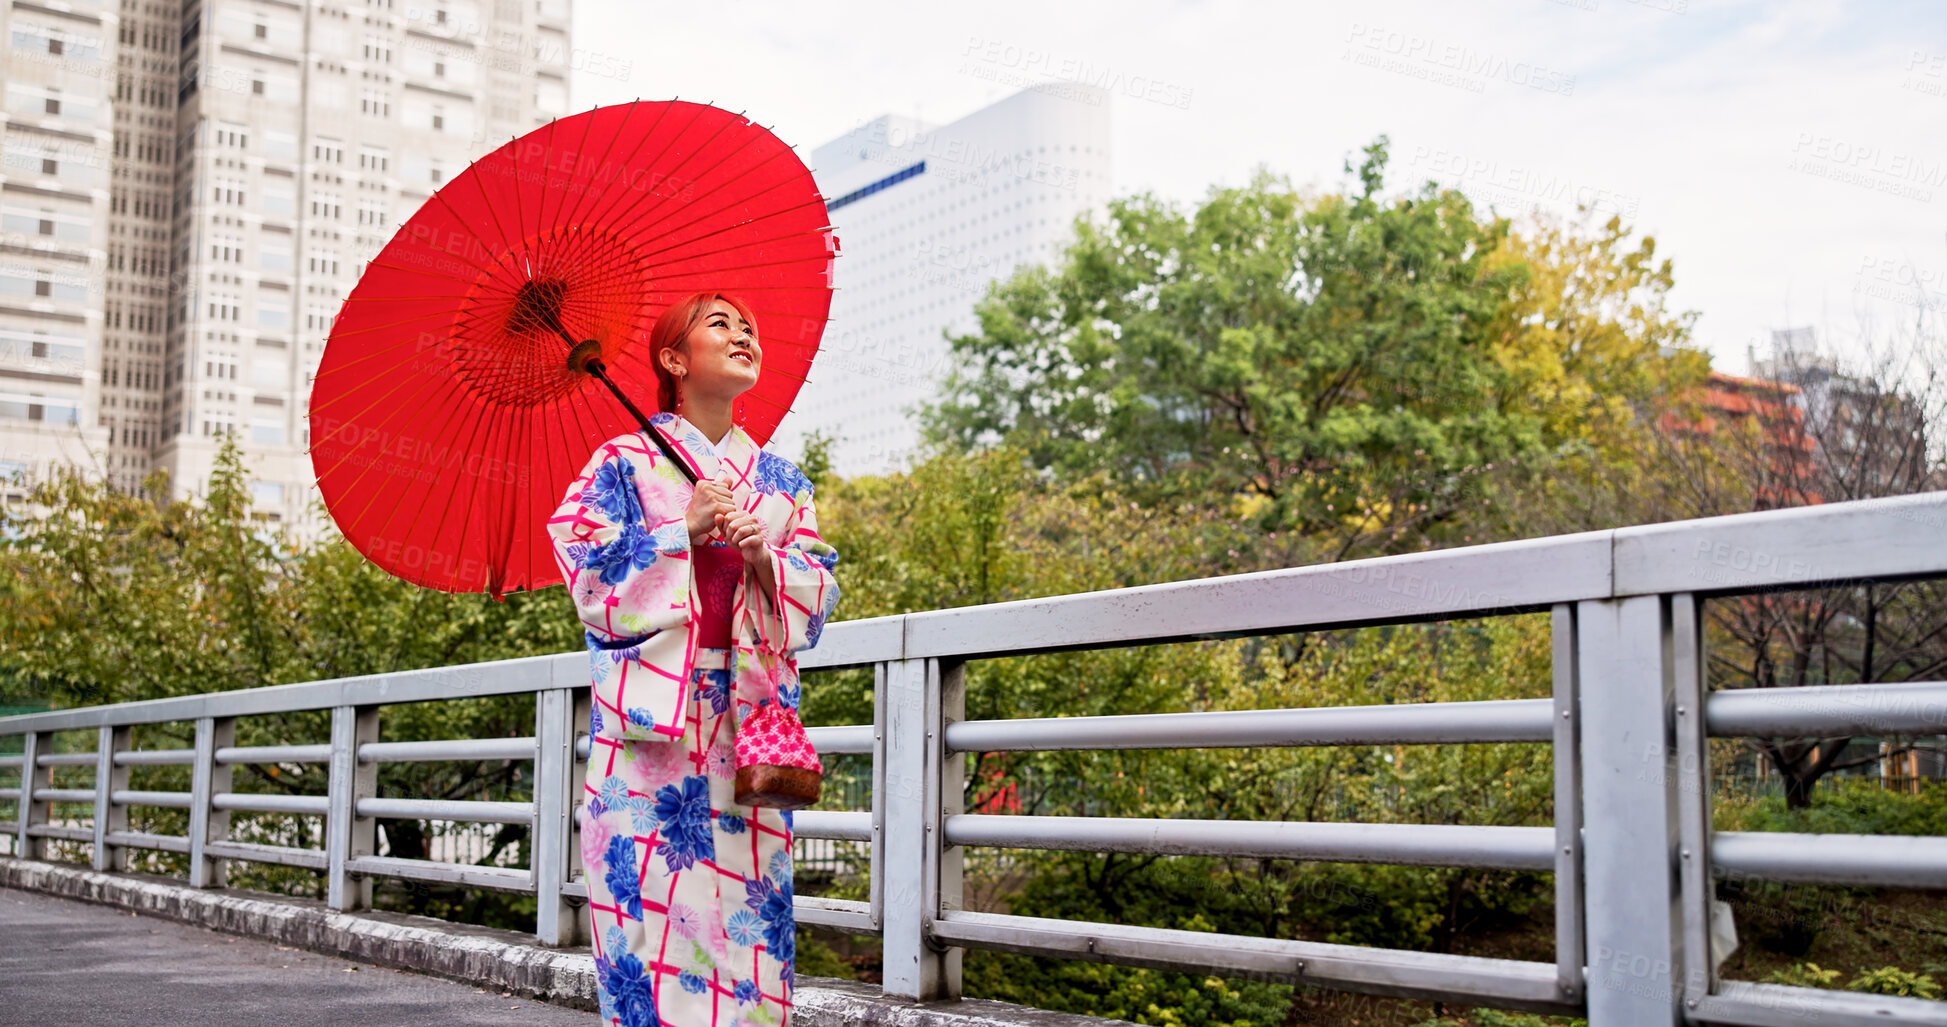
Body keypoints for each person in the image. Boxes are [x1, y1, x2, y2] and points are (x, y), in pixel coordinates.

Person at [546, 291, 840, 1027]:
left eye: (749, 325)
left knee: (750, 915)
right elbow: (586, 574)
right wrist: (681, 529)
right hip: (650, 727)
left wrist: (762, 556)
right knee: (649, 919)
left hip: (745, 721)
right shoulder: (621, 462)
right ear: (673, 359)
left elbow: (818, 590)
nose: (743, 333)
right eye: (720, 325)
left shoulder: (781, 480)